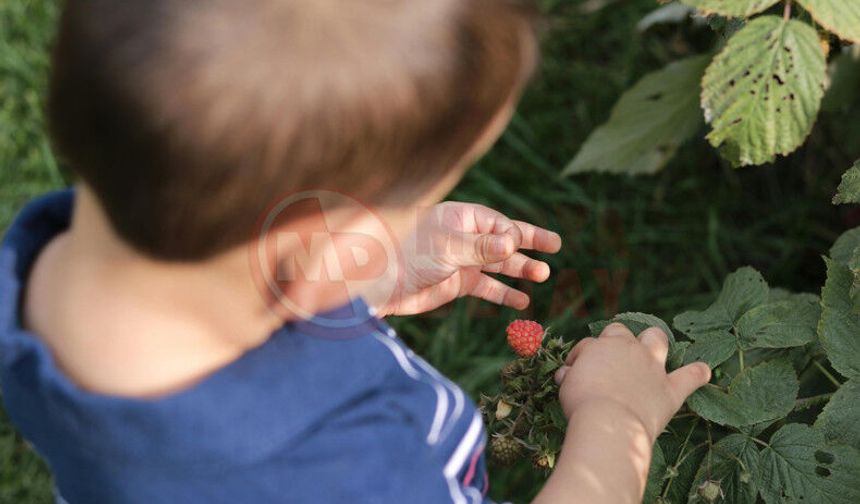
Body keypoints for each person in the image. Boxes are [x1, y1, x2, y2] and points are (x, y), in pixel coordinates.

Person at [0, 0, 711, 502]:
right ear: (308, 263)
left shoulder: (56, 273)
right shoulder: (342, 475)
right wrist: (617, 420)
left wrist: (360, 272)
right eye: (405, 208)